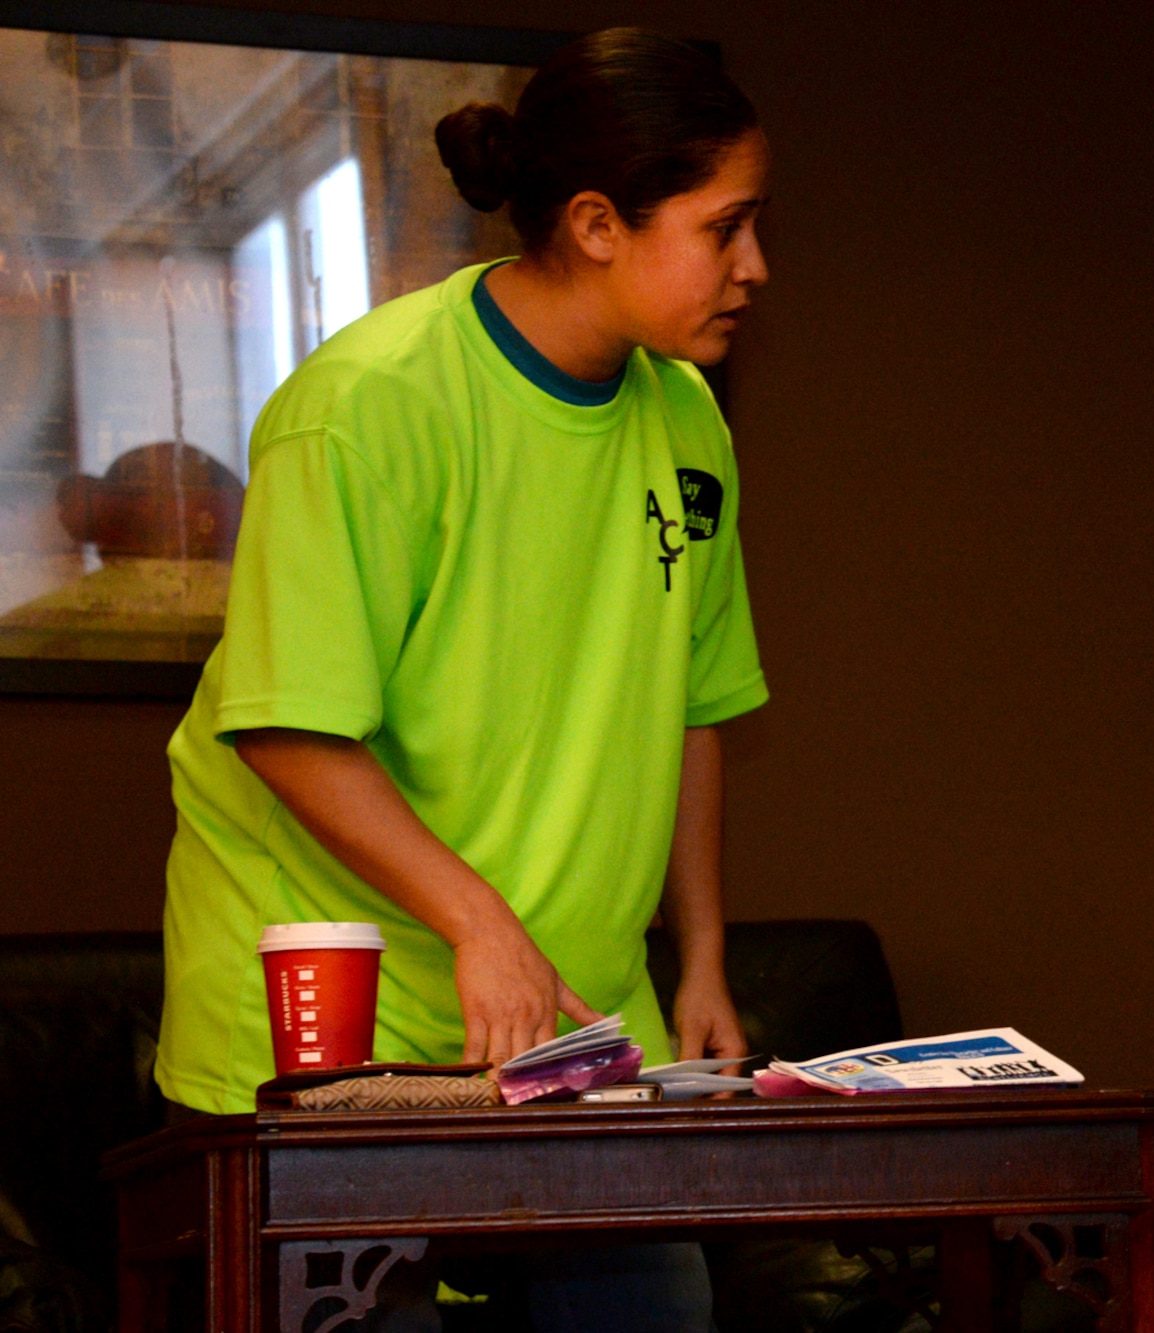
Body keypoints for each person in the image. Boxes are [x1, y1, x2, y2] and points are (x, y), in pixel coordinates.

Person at [154, 29, 770, 1331]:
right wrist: (480, 920)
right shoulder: (367, 405)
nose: (754, 267)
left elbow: (692, 705)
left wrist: (702, 953)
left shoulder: (689, 419)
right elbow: (286, 724)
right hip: (329, 1042)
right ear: (599, 223)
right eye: (725, 229)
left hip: (579, 1032)